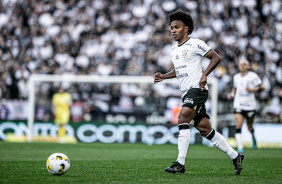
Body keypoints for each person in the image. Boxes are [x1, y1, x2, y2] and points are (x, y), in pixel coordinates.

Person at [153, 10, 244, 175]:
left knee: (182, 118)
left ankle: (180, 163)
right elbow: (179, 70)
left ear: (186, 29)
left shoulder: (195, 43)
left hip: (198, 89)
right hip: (187, 92)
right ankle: (235, 155)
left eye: (177, 27)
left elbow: (216, 57)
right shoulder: (174, 50)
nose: (173, 30)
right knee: (204, 129)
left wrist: (204, 75)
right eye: (172, 27)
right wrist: (164, 76)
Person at [227, 59, 265, 153]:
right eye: (241, 65)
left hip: (250, 105)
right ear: (239, 66)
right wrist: (231, 94)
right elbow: (235, 88)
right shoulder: (236, 77)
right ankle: (240, 148)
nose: (242, 66)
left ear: (248, 66)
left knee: (249, 127)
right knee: (238, 125)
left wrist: (251, 90)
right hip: (239, 104)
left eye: (244, 65)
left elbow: (262, 88)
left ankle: (253, 137)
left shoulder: (253, 76)